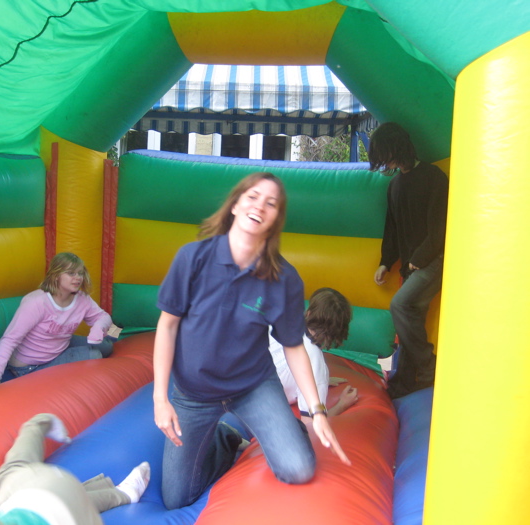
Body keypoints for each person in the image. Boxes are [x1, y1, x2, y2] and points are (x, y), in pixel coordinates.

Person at [153, 172, 350, 511]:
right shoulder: (193, 258)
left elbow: (294, 347)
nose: (260, 206)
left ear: (276, 220)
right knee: (176, 498)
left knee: (299, 468)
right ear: (235, 204)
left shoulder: (284, 279)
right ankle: (225, 440)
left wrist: (318, 411)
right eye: (253, 196)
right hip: (193, 394)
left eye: (271, 203)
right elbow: (167, 327)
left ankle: (275, 434)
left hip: (253, 387)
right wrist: (160, 398)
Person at [0, 413, 151, 525]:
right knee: (14, 467)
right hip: (33, 489)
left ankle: (123, 494)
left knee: (74, 506)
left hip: (64, 505)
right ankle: (38, 425)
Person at [369, 122, 448, 399]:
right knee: (410, 318)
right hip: (413, 266)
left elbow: (440, 228)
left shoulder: (433, 177)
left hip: (435, 260)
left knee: (399, 305)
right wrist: (385, 262)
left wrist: (417, 260)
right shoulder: (394, 186)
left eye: (385, 155)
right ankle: (405, 382)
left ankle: (429, 367)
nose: (385, 163)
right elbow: (391, 230)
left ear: (398, 149)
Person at [0, 253, 115, 385]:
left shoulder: (82, 299)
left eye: (80, 273)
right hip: (31, 365)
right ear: (55, 276)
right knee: (94, 355)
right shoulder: (36, 302)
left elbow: (103, 317)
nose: (78, 278)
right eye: (71, 273)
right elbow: (10, 338)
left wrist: (101, 327)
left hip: (59, 344)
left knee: (106, 345)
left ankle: (116, 336)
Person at [268, 287, 359, 417]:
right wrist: (342, 404)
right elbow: (311, 424)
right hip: (250, 409)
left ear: (309, 312)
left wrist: (321, 381)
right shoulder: (314, 361)